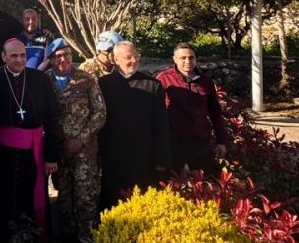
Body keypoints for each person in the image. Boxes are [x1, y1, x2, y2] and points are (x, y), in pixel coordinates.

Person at [0, 38, 63, 242]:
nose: (19, 59)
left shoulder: (39, 79)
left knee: (30, 198)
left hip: (32, 154)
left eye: (23, 55)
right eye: (13, 55)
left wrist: (51, 156)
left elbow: (51, 120)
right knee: (0, 200)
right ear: (3, 57)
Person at [44, 38, 106, 243]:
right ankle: (68, 236)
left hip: (83, 152)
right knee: (63, 197)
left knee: (86, 197)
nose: (63, 59)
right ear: (51, 59)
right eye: (58, 56)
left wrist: (81, 139)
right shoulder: (44, 81)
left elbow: (100, 112)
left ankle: (88, 237)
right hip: (58, 151)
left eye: (67, 55)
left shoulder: (86, 79)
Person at [97, 41, 170, 211]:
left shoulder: (153, 85)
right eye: (128, 57)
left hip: (143, 157)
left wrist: (162, 159)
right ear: (115, 59)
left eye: (136, 56)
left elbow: (161, 125)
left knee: (142, 204)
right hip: (113, 156)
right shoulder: (103, 84)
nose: (133, 61)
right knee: (112, 203)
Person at [156, 43, 229, 175]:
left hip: (201, 142)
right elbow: (155, 113)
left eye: (191, 57)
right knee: (173, 185)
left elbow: (215, 112)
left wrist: (221, 141)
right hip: (174, 143)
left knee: (205, 184)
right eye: (183, 58)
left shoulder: (205, 81)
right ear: (174, 59)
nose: (187, 61)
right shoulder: (164, 79)